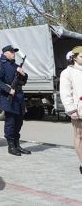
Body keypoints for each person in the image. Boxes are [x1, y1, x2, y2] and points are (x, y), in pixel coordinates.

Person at [0, 45, 29, 156]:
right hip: (9, 98)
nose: (13, 53)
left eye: (14, 51)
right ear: (5, 53)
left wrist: (23, 74)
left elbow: (23, 82)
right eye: (11, 51)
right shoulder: (0, 65)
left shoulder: (16, 65)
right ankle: (11, 146)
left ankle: (17, 145)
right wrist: (8, 90)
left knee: (19, 122)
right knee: (10, 123)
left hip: (19, 97)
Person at [58, 46, 82, 174]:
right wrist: (72, 110)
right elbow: (65, 93)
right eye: (81, 56)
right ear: (74, 57)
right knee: (79, 135)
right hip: (78, 110)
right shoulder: (67, 73)